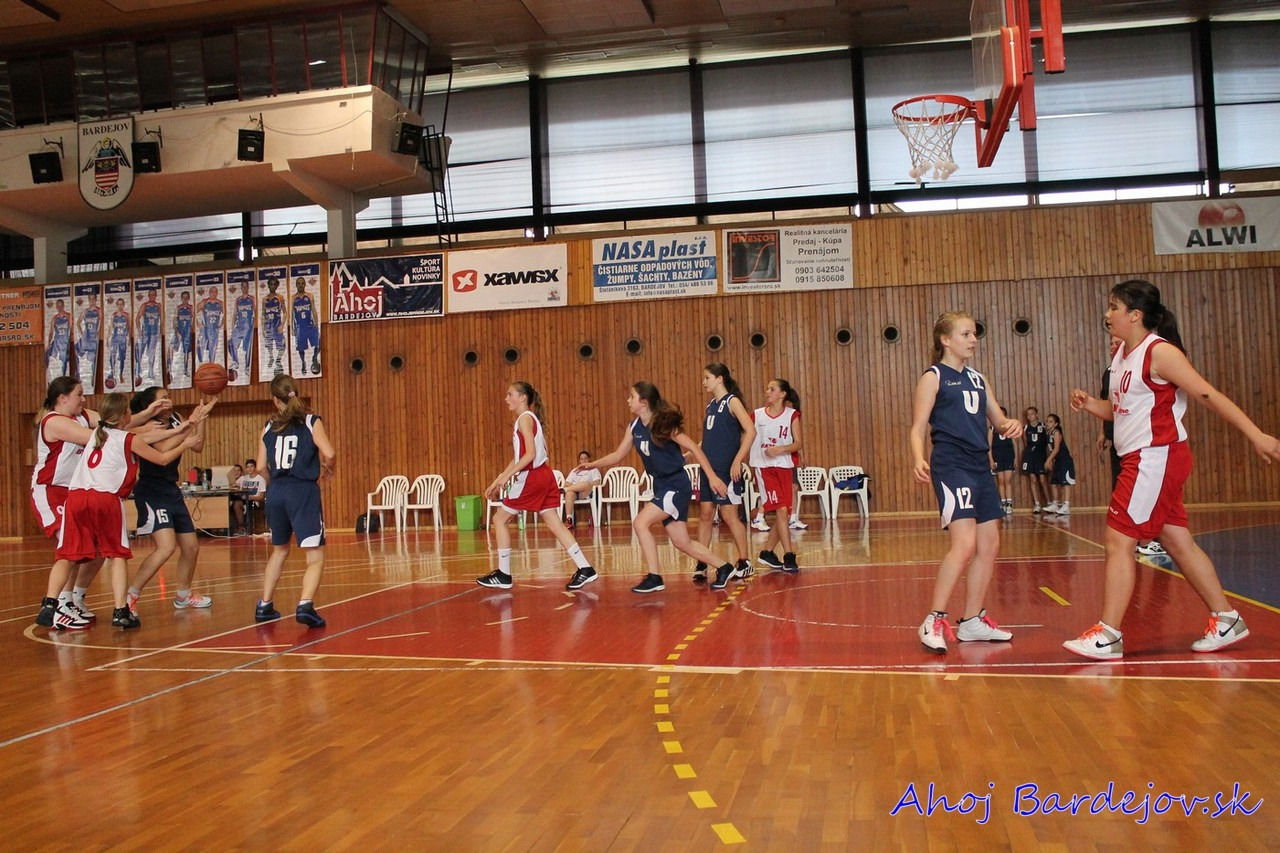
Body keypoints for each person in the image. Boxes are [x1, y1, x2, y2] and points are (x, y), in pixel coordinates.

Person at [1064, 279, 1280, 660]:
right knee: (1177, 541)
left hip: (1155, 456)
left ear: (1135, 315)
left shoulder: (1160, 352)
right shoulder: (1121, 356)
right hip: (1145, 457)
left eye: (1114, 307)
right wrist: (1090, 405)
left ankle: (1109, 635)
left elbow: (1208, 395)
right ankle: (1226, 619)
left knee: (1118, 539)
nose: (1108, 314)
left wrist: (1255, 434)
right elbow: (1120, 411)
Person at [909, 311, 1023, 653]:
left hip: (979, 465)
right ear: (946, 340)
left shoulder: (977, 378)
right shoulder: (933, 377)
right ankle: (933, 619)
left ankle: (972, 620)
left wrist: (1010, 425)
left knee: (990, 544)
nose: (973, 340)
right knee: (964, 544)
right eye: (966, 334)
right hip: (951, 464)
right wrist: (918, 457)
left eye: (974, 334)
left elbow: (998, 421)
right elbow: (917, 426)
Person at [56, 393, 202, 629]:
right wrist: (185, 438)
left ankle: (54, 604)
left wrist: (187, 425)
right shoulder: (127, 437)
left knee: (71, 555)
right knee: (118, 555)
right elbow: (161, 455)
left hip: (78, 497)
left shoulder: (98, 433)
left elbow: (151, 436)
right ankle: (121, 606)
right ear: (125, 415)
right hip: (110, 497)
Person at [576, 382, 734, 594]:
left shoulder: (663, 425)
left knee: (640, 523)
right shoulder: (634, 427)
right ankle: (724, 567)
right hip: (661, 486)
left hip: (676, 484)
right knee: (682, 542)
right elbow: (618, 454)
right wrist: (593, 464)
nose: (628, 400)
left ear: (644, 402)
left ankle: (655, 577)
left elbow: (694, 448)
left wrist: (713, 478)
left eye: (632, 397)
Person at [476, 382, 600, 592]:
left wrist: (508, 477)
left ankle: (504, 574)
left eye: (510, 394)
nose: (506, 399)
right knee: (554, 522)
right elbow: (519, 457)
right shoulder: (529, 419)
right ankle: (585, 568)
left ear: (522, 397)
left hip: (532, 477)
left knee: (499, 519)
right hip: (545, 475)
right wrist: (498, 480)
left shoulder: (524, 419)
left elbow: (530, 455)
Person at [125, 385, 217, 614]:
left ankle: (183, 595)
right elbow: (164, 450)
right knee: (166, 547)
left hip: (171, 490)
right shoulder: (149, 426)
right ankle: (131, 595)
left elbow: (198, 446)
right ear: (151, 405)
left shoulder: (176, 419)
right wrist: (191, 424)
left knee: (191, 547)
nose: (169, 401)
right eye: (163, 398)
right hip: (152, 490)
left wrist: (200, 418)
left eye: (169, 397)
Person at [254, 374, 337, 627]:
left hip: (276, 491)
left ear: (274, 399)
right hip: (302, 491)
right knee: (314, 554)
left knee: (279, 550)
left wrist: (276, 485)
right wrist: (329, 467)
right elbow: (330, 452)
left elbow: (260, 467)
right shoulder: (310, 421)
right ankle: (305, 605)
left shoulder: (268, 426)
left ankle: (265, 605)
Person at [1097, 340, 1165, 557]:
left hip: (1147, 445)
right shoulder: (1111, 371)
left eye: (1117, 343)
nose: (1112, 346)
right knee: (1121, 489)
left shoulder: (1147, 362)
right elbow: (1111, 405)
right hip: (1121, 442)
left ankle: (1148, 540)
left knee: (1148, 497)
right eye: (1110, 343)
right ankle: (1138, 539)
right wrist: (1103, 432)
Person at [693, 363, 756, 590]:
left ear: (719, 378)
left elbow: (751, 431)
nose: (704, 382)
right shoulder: (711, 405)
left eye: (707, 377)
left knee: (729, 514)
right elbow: (711, 437)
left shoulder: (732, 402)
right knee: (705, 514)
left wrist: (738, 460)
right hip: (708, 469)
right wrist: (693, 451)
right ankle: (702, 561)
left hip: (726, 469)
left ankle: (745, 561)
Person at [750, 378, 803, 572]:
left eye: (772, 389)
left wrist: (781, 449)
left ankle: (767, 552)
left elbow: (798, 443)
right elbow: (743, 436)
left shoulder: (791, 415)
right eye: (767, 388)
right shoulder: (756, 415)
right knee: (781, 510)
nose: (767, 392)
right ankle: (789, 555)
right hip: (764, 468)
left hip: (784, 466)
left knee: (784, 514)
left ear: (782, 394)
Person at [1043, 413, 1076, 515]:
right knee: (1054, 482)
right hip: (1057, 461)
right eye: (1047, 421)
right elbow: (1051, 449)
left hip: (1064, 460)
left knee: (1066, 483)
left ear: (1056, 424)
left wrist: (1048, 460)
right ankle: (1055, 504)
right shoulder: (1048, 434)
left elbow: (1056, 448)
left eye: (1050, 421)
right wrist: (1052, 460)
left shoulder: (1056, 432)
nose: (1048, 423)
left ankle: (1066, 505)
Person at [1020, 406, 1050, 513]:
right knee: (1032, 479)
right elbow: (1025, 442)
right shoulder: (1025, 428)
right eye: (1028, 415)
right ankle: (1037, 504)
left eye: (1032, 414)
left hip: (1041, 454)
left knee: (1042, 479)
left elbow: (1047, 442)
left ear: (1037, 414)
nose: (1030, 416)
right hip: (1030, 455)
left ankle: (1049, 502)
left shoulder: (1043, 426)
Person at [561, 450, 601, 527]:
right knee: (569, 494)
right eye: (582, 459)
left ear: (589, 459)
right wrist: (577, 487)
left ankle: (564, 490)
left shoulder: (593, 469)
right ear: (579, 460)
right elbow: (566, 483)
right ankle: (569, 519)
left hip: (586, 492)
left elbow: (597, 482)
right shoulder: (575, 470)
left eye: (586, 458)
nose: (584, 460)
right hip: (575, 493)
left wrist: (584, 485)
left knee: (585, 483)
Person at [989, 406, 1016, 514]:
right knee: (1000, 480)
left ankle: (1009, 503)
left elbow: (1014, 443)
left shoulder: (1010, 428)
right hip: (997, 456)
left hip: (1008, 455)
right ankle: (1003, 502)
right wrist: (991, 459)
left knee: (1008, 480)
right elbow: (989, 446)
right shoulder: (992, 429)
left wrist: (1015, 458)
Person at [292, 277, 320, 375]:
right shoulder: (293, 298)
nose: (300, 285)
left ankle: (314, 357)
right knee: (301, 348)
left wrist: (317, 324)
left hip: (310, 324)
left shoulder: (310, 296)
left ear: (305, 284)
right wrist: (292, 328)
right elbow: (292, 313)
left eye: (302, 283)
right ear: (296, 285)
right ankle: (303, 362)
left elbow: (314, 310)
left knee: (319, 343)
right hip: (300, 326)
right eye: (299, 283)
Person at [232, 458, 267, 535]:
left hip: (254, 501)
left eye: (251, 466)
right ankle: (241, 527)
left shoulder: (261, 480)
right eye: (247, 467)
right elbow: (232, 484)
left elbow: (261, 497)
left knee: (242, 504)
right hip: (243, 500)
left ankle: (245, 528)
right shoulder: (243, 478)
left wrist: (250, 497)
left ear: (255, 468)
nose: (249, 468)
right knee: (235, 503)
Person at [262, 279, 286, 377]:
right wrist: (263, 327)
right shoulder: (265, 299)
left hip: (277, 325)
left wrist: (282, 325)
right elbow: (263, 314)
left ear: (277, 286)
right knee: (269, 345)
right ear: (268, 286)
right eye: (271, 284)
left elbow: (285, 312)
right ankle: (271, 357)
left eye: (274, 284)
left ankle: (278, 359)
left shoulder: (280, 297)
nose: (272, 286)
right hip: (268, 325)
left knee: (282, 346)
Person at [106, 297, 131, 387]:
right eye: (118, 304)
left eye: (121, 304)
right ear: (116, 305)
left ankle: (121, 374)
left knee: (122, 358)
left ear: (123, 305)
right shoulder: (113, 315)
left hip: (123, 339)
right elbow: (110, 328)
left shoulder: (127, 315)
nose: (120, 306)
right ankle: (112, 372)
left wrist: (129, 338)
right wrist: (107, 338)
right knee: (112, 356)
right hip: (114, 338)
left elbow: (129, 327)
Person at [171, 290, 194, 378]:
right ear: (181, 298)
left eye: (186, 298)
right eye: (183, 298)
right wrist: (177, 332)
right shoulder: (178, 308)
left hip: (187, 332)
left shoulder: (191, 308)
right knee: (172, 348)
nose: (185, 299)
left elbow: (194, 320)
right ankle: (171, 368)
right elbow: (174, 323)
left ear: (189, 298)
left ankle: (185, 368)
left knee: (186, 351)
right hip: (179, 331)